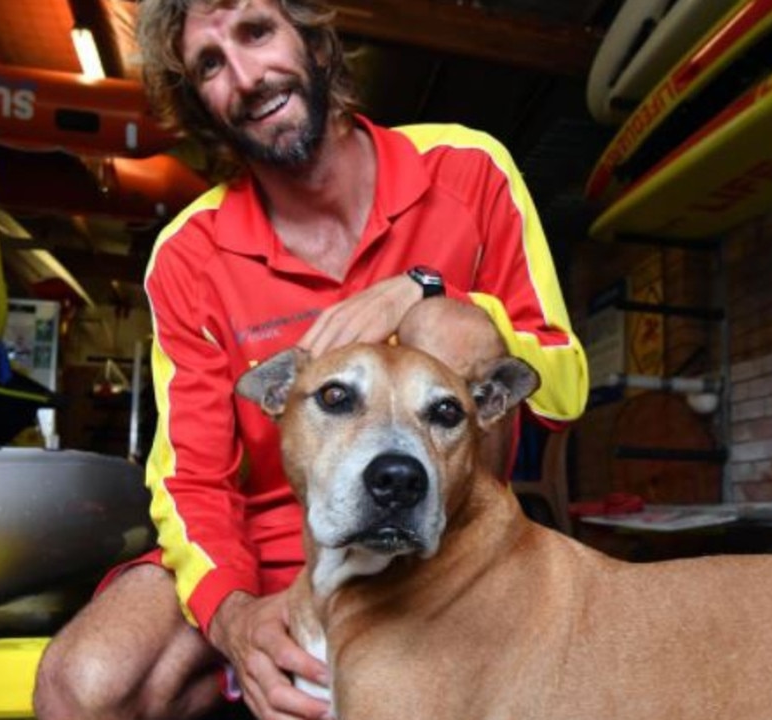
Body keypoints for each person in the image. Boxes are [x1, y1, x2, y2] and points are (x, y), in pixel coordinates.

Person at [32, 0, 588, 718]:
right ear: (202, 103)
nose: (246, 76)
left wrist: (425, 290)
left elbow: (562, 392)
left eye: (257, 33)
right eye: (210, 64)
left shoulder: (467, 167)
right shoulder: (189, 255)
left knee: (449, 327)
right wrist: (232, 616)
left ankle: (445, 632)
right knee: (82, 683)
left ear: (315, 41)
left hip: (443, 541)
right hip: (267, 547)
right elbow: (192, 476)